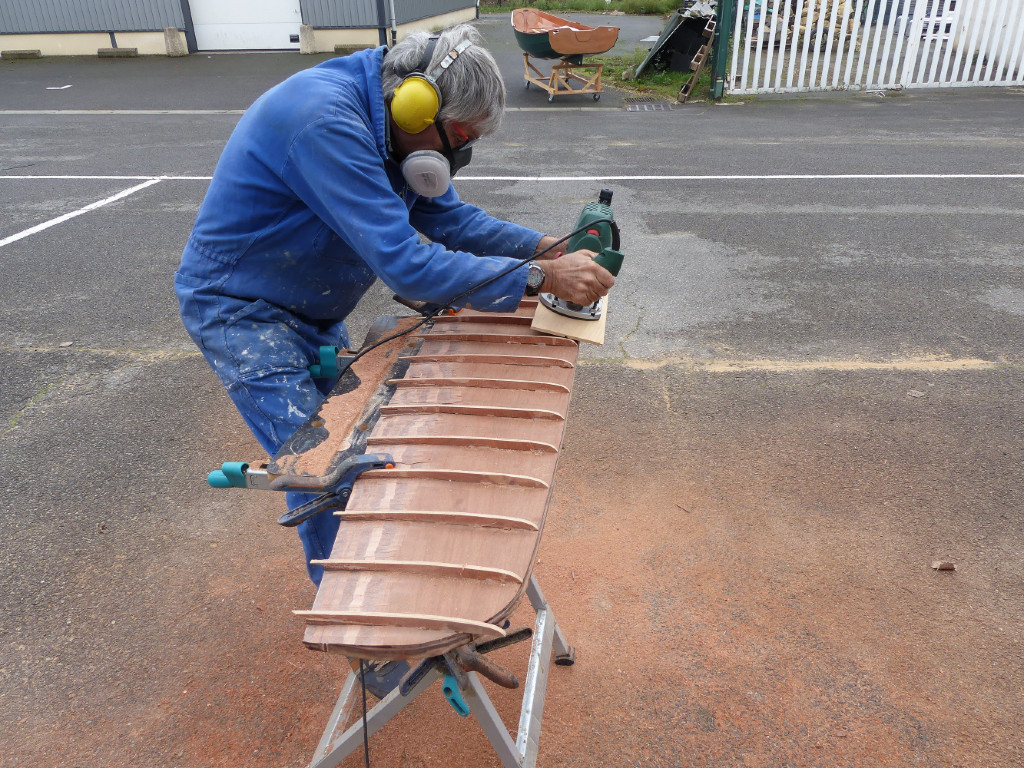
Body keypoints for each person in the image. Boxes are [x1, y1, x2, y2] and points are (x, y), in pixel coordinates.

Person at [175, 23, 614, 588]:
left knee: (367, 442)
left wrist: (543, 246)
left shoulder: (393, 118)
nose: (458, 152)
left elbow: (450, 219)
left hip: (310, 307)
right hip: (241, 313)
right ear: (415, 108)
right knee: (332, 470)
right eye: (456, 135)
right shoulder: (325, 122)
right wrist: (541, 276)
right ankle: (364, 635)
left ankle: (384, 583)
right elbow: (407, 264)